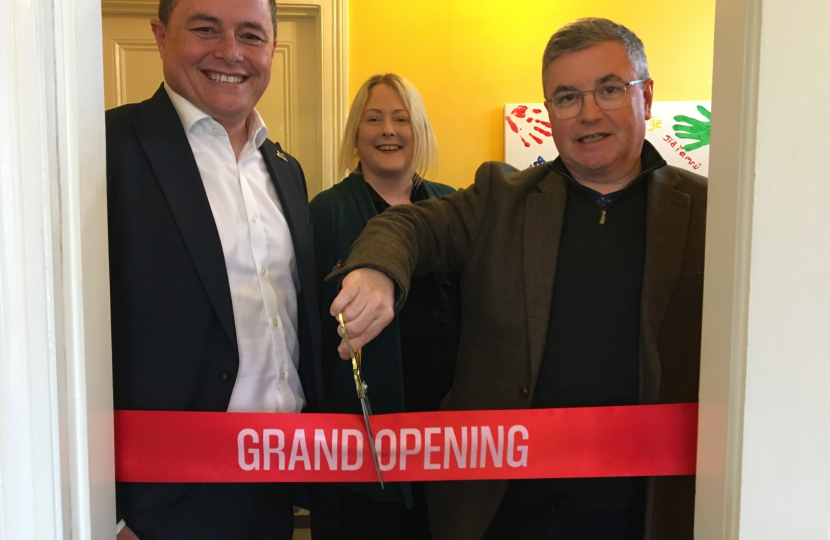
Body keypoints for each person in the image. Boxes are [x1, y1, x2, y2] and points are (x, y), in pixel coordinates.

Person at [327, 18, 706, 540]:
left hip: (646, 508)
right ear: (549, 112)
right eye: (567, 97)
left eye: (609, 89)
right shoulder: (501, 199)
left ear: (646, 95)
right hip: (504, 509)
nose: (588, 113)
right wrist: (377, 271)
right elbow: (407, 225)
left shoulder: (711, 211)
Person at [106, 0, 325, 538]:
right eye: (206, 29)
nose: (230, 52)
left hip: (276, 480)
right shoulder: (104, 147)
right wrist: (108, 513)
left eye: (251, 35)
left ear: (272, 48)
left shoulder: (286, 170)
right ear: (161, 36)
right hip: (161, 501)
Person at [309, 73, 461, 539]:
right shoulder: (326, 211)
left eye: (401, 118)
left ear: (420, 130)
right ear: (356, 133)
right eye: (373, 119)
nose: (388, 130)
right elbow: (307, 332)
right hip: (359, 444)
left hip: (445, 438)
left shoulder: (450, 203)